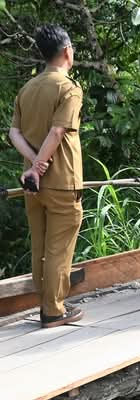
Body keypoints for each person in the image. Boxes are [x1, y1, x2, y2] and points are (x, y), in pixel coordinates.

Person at [9, 25, 85, 328]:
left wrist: (31, 167)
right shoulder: (69, 88)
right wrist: (39, 167)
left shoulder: (27, 89)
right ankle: (53, 310)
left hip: (33, 186)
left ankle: (47, 302)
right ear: (67, 51)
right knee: (59, 248)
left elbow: (13, 132)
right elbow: (57, 131)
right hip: (62, 182)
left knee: (40, 246)